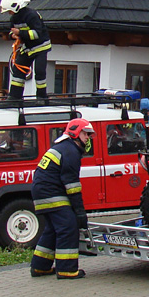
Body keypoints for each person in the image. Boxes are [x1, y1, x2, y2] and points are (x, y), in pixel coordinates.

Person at [29, 118, 94, 279]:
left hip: (42, 192)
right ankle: (67, 269)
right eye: (86, 134)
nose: (88, 138)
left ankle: (40, 267)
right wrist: (79, 212)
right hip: (51, 192)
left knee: (52, 229)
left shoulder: (64, 147)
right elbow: (72, 186)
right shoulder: (70, 151)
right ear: (75, 133)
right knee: (68, 226)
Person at [0, 0, 51, 100]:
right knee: (18, 69)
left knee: (40, 71)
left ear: (15, 7)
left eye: (9, 11)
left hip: (41, 46)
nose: (9, 13)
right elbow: (12, 32)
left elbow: (37, 34)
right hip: (27, 47)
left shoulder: (31, 15)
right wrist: (13, 35)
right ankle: (15, 96)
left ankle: (41, 97)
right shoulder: (14, 19)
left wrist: (20, 32)